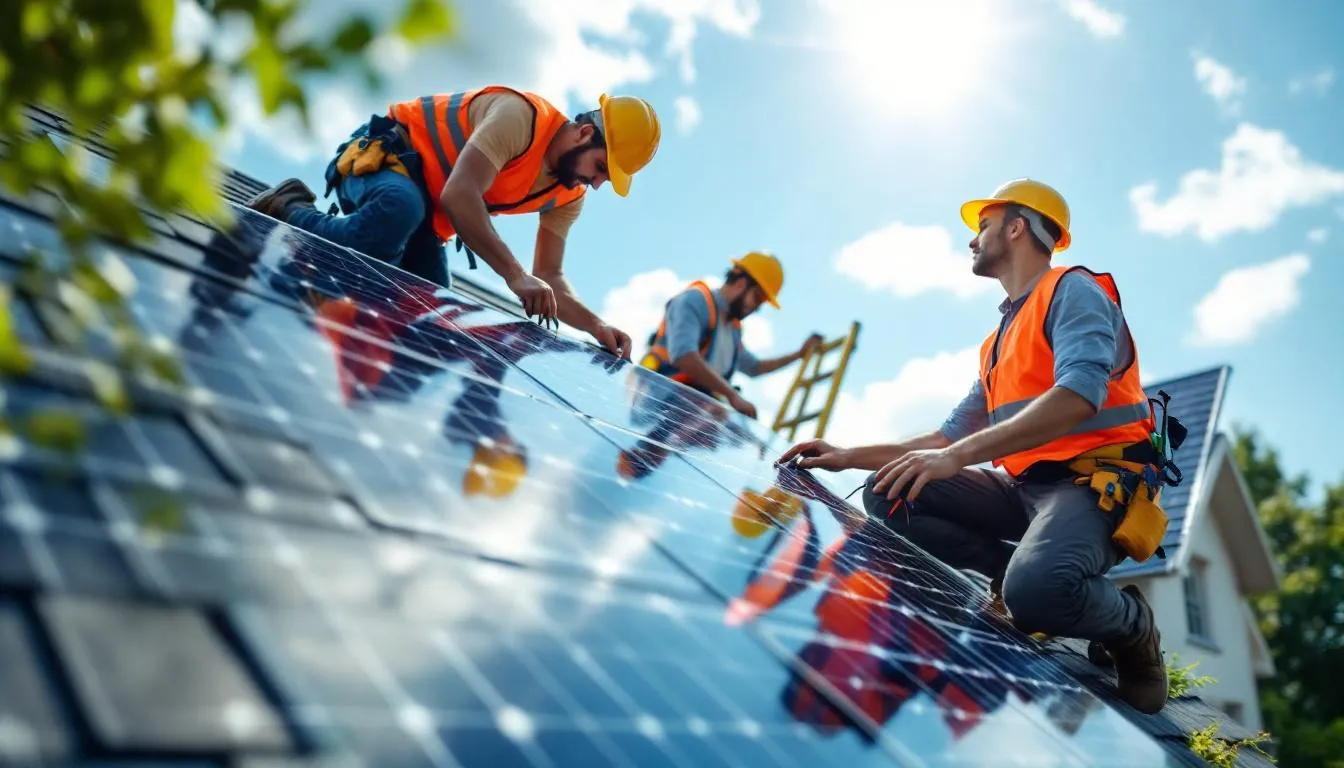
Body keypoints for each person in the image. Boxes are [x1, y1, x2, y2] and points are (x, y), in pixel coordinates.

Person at [778, 179, 1172, 715]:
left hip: (1091, 486)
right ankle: (1009, 578)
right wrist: (847, 454)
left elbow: (1078, 396)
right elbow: (943, 440)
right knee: (891, 489)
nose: (972, 239)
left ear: (1017, 227)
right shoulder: (998, 341)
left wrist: (955, 458)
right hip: (1025, 489)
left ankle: (1132, 624)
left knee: (1037, 595)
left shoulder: (1073, 291)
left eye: (983, 225)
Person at [244, 85, 663, 360]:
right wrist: (514, 275)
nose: (596, 183)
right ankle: (291, 206)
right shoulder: (521, 117)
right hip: (383, 160)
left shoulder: (568, 194)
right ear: (585, 134)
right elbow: (459, 195)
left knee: (430, 324)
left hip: (424, 220)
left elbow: (549, 274)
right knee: (398, 212)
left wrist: (596, 325)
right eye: (601, 168)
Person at [640, 252, 824, 419]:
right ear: (742, 283)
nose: (757, 307)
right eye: (758, 298)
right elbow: (683, 355)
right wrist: (731, 395)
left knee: (739, 436)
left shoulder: (733, 330)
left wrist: (799, 354)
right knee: (717, 418)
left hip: (689, 411)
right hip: (655, 400)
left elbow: (755, 367)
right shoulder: (695, 301)